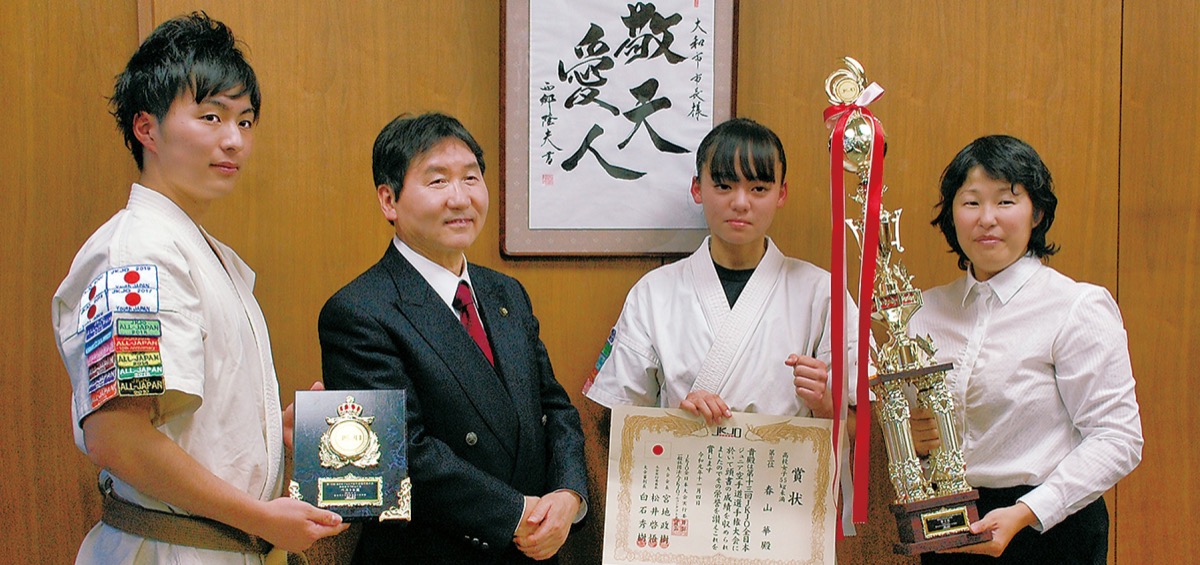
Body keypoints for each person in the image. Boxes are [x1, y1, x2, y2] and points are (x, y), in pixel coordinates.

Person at [50, 12, 347, 564]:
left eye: (245, 121)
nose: (234, 140)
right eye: (211, 116)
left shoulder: (199, 251)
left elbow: (182, 421)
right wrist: (262, 518)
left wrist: (265, 428)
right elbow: (117, 436)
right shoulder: (136, 257)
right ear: (146, 128)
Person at [318, 112, 588, 564]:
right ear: (389, 200)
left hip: (533, 550)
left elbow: (555, 409)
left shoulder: (506, 293)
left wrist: (567, 493)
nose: (460, 198)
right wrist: (514, 513)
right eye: (438, 181)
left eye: (471, 178)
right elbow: (401, 455)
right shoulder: (358, 311)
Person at [911, 135, 1143, 564]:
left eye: (1005, 201)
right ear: (951, 214)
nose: (987, 219)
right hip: (949, 525)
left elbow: (1118, 437)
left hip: (1051, 529)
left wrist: (1027, 511)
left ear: (1036, 213)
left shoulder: (1075, 306)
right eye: (971, 202)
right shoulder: (922, 313)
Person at [584, 117, 862, 426]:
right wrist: (678, 422)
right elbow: (613, 418)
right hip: (684, 459)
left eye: (758, 188)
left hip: (783, 458)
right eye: (724, 186)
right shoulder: (653, 293)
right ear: (697, 188)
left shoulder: (823, 293)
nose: (741, 203)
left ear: (781, 193)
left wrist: (824, 405)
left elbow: (860, 428)